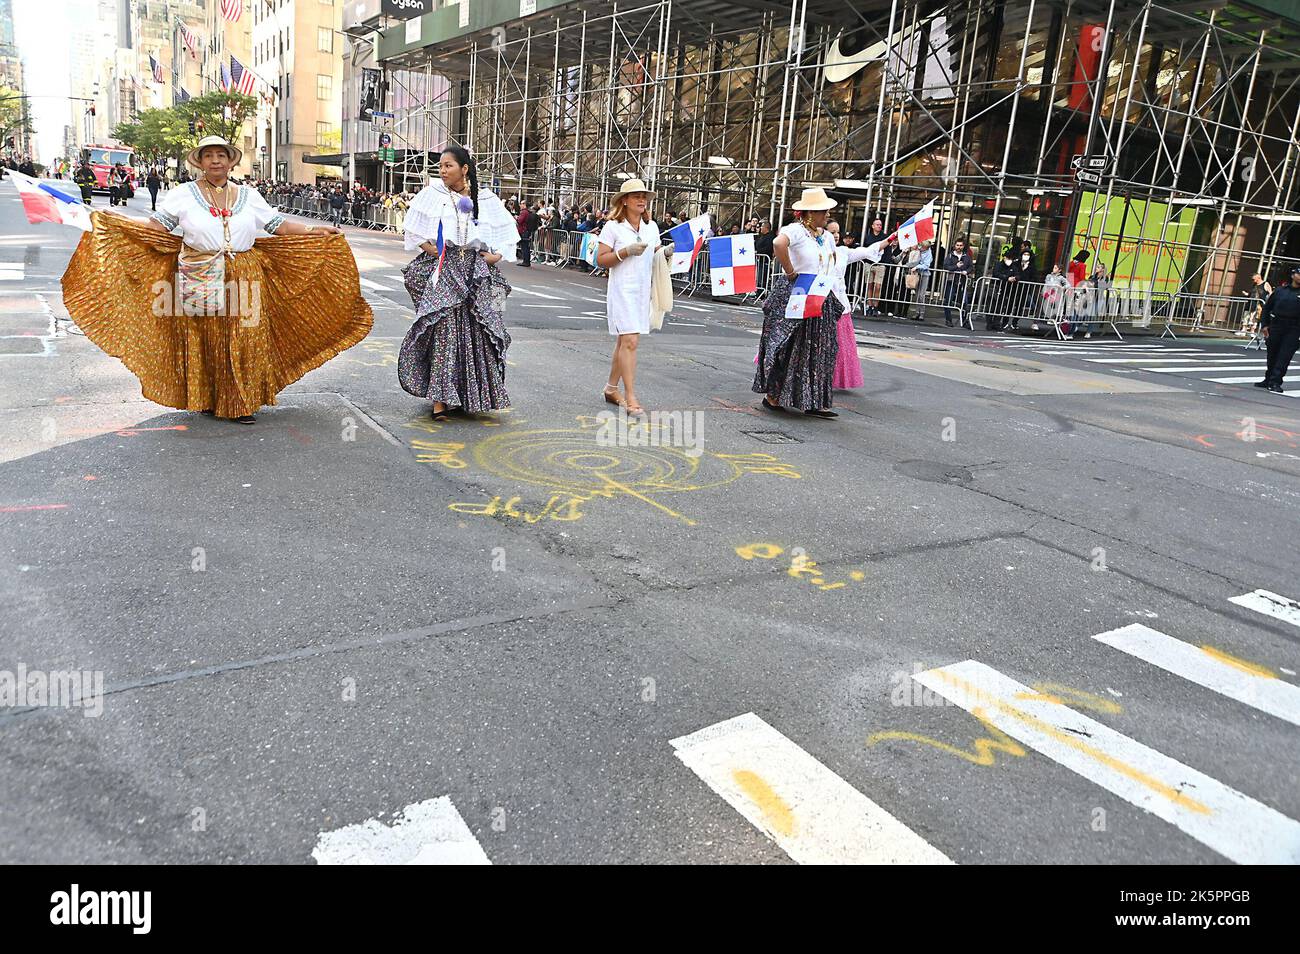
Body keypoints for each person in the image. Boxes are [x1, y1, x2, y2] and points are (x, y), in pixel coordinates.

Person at [61, 135, 372, 424]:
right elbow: (157, 228)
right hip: (200, 270)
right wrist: (115, 222)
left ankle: (240, 401)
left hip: (245, 270)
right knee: (207, 336)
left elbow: (277, 226)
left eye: (220, 155)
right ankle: (210, 397)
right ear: (199, 162)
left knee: (245, 335)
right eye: (208, 156)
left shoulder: (249, 195)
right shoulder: (183, 194)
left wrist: (314, 231)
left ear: (230, 161)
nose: (215, 161)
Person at [398, 145, 517, 421]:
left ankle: (468, 396)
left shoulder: (486, 199)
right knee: (445, 331)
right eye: (440, 166)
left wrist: (493, 257)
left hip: (476, 272)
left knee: (478, 333)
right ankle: (440, 400)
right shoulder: (433, 195)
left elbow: (507, 238)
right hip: (446, 270)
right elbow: (415, 232)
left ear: (464, 169)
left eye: (448, 165)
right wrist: (438, 253)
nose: (442, 171)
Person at [753, 187, 842, 418]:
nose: (827, 214)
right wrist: (790, 272)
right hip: (799, 291)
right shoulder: (796, 230)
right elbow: (778, 244)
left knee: (821, 348)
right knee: (790, 346)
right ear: (810, 213)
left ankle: (813, 400)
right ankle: (773, 395)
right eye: (823, 211)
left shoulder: (825, 236)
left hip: (820, 294)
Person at [596, 179, 673, 416]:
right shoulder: (613, 227)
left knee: (624, 342)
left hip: (642, 290)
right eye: (636, 196)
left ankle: (611, 388)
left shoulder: (651, 227)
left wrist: (665, 253)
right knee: (630, 342)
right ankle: (630, 396)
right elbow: (601, 259)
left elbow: (656, 255)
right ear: (625, 201)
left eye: (644, 197)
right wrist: (625, 252)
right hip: (622, 290)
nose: (642, 200)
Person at [825, 219, 870, 389]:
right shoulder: (814, 250)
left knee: (841, 346)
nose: (836, 236)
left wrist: (889, 240)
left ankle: (833, 379)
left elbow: (866, 251)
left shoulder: (843, 251)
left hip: (840, 305)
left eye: (837, 232)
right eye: (832, 232)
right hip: (819, 303)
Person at [1256, 265, 1300, 393]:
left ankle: (1275, 381)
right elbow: (1267, 308)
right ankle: (1268, 378)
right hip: (1276, 325)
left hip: (1294, 328)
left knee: (1284, 356)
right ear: (1293, 275)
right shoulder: (1280, 291)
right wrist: (1264, 325)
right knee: (1272, 354)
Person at [942, 237, 974, 326]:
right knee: (948, 300)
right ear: (954, 246)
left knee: (964, 302)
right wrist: (956, 266)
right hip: (951, 281)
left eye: (961, 245)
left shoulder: (966, 257)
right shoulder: (950, 256)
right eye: (957, 245)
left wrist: (966, 271)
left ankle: (964, 321)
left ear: (963, 246)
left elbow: (971, 267)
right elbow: (946, 267)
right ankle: (948, 320)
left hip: (962, 281)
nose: (959, 247)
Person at [899, 240, 933, 320]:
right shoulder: (919, 251)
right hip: (918, 274)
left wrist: (917, 267)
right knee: (918, 295)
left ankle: (921, 313)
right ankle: (917, 313)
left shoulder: (928, 253)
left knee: (921, 295)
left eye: (924, 247)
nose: (922, 248)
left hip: (924, 275)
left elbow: (926, 265)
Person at [864, 218, 887, 315]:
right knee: (869, 285)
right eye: (877, 224)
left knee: (878, 286)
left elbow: (887, 250)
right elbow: (865, 249)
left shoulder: (884, 237)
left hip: (880, 264)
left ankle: (875, 306)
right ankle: (869, 305)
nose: (879, 226)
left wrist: (885, 262)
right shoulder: (868, 237)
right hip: (869, 264)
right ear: (872, 226)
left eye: (880, 224)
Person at [1240, 272, 1271, 336]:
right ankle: (1243, 330)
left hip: (1258, 304)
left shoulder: (1265, 284)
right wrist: (1246, 294)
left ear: (1259, 278)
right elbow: (1251, 293)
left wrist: (1269, 302)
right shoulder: (1254, 285)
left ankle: (1252, 331)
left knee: (1255, 318)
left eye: (1254, 279)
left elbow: (1270, 293)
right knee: (1246, 316)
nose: (1253, 281)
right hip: (1250, 302)